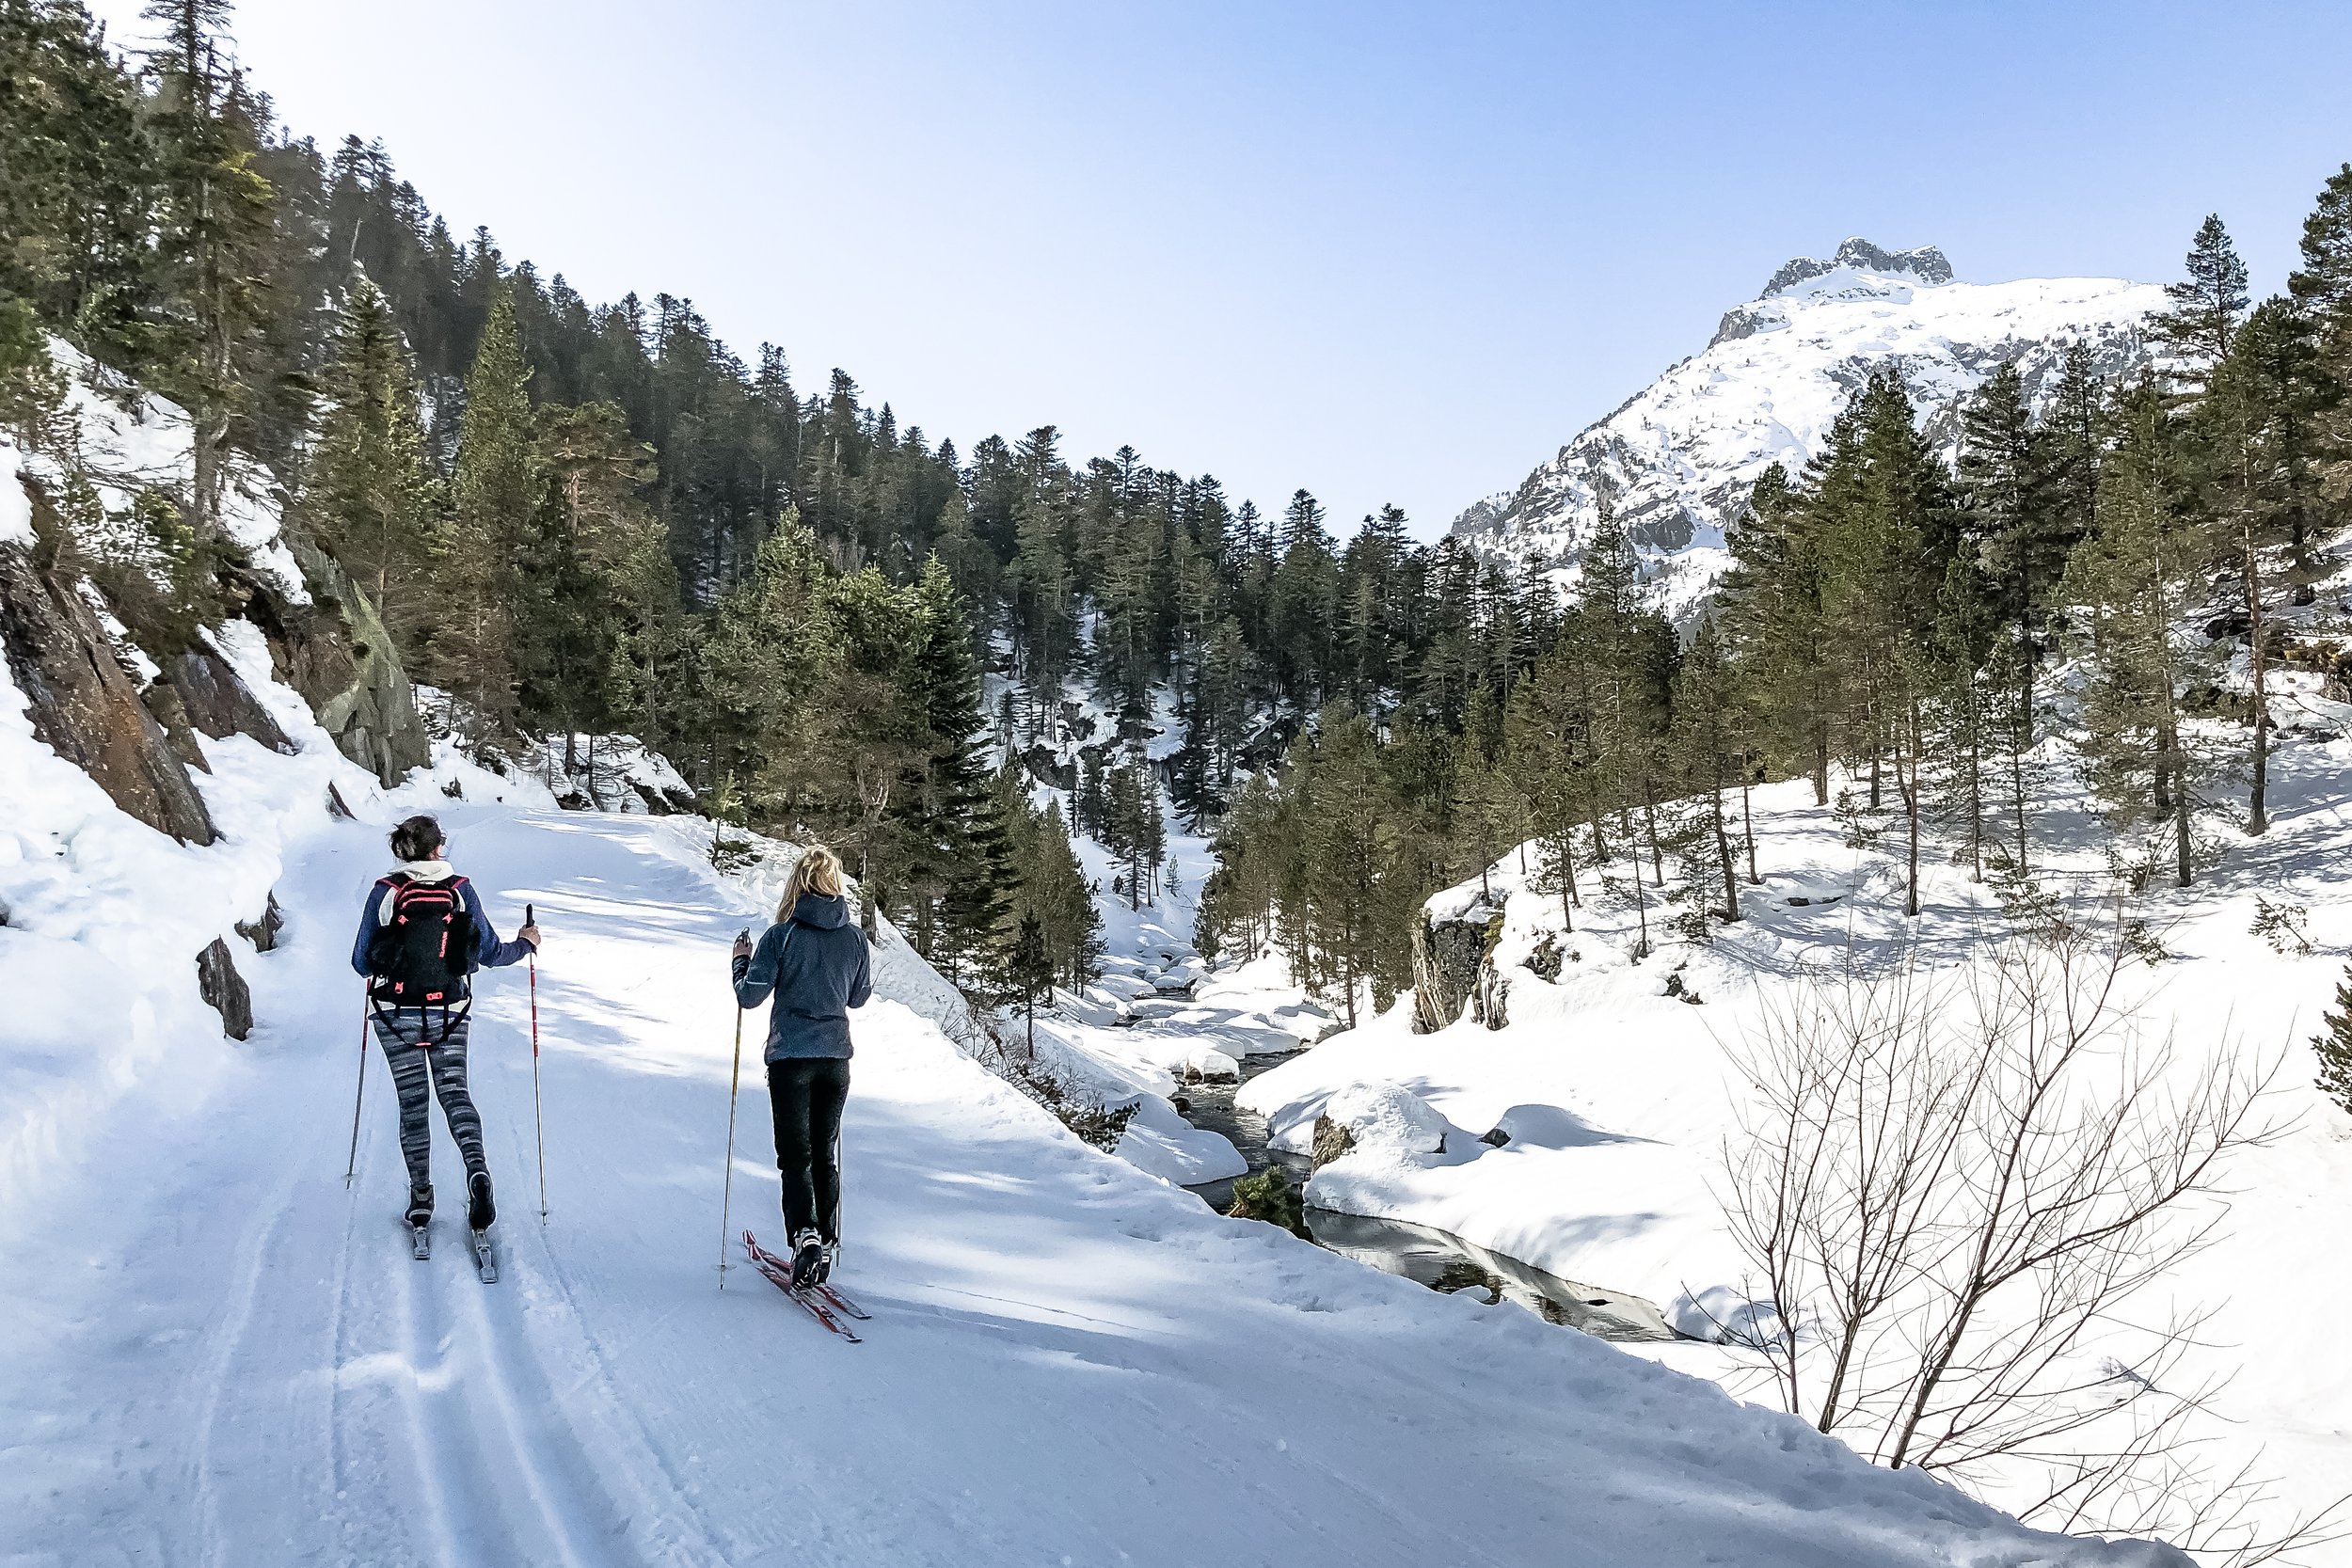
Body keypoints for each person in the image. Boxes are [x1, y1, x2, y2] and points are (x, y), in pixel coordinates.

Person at [351, 814, 540, 1238]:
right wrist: (525, 944)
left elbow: (361, 961)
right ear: (440, 847)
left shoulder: (387, 891)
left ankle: (421, 1200)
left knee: (413, 1103)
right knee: (455, 1092)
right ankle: (477, 1171)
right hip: (449, 1012)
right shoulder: (459, 890)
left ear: (401, 849)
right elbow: (490, 952)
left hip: (394, 1013)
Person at [731, 844, 871, 1287]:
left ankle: (805, 1235)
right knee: (824, 1155)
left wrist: (740, 962)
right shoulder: (854, 938)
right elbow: (858, 997)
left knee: (796, 1157)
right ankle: (825, 1242)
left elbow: (749, 996)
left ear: (797, 884)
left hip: (791, 1059)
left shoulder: (781, 935)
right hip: (835, 1059)